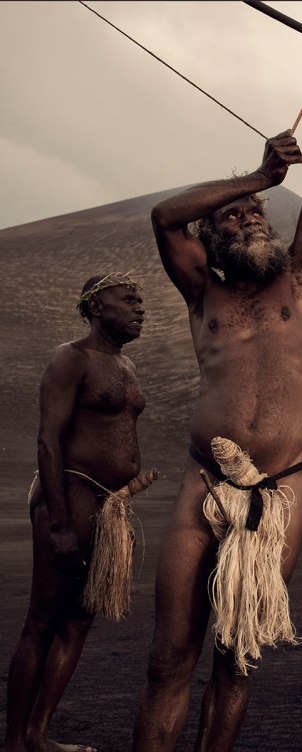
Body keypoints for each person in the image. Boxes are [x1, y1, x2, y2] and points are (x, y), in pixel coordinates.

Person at [131, 10, 302, 750]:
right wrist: (258, 176)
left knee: (238, 659)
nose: (250, 221)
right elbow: (164, 216)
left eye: (257, 213)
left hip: (282, 489)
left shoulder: (296, 276)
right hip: (204, 484)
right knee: (169, 658)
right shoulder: (202, 289)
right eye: (233, 218)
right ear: (210, 239)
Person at [5, 273, 152, 752]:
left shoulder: (126, 364)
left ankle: (38, 735)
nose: (140, 307)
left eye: (140, 300)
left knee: (78, 622)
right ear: (95, 307)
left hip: (112, 507)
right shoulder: (71, 358)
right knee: (43, 620)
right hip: (72, 494)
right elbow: (48, 441)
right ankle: (14, 741)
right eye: (128, 299)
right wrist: (61, 524)